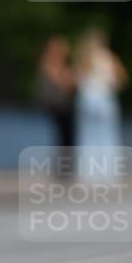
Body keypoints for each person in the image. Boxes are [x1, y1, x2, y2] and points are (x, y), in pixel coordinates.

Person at [73, 27, 128, 154]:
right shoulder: (109, 57)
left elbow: (76, 80)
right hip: (105, 98)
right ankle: (109, 168)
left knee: (87, 135)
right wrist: (113, 85)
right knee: (108, 134)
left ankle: (88, 168)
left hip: (87, 99)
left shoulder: (83, 57)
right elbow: (123, 78)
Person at [35, 35, 76, 176]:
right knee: (65, 138)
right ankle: (63, 168)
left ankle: (65, 167)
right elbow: (65, 83)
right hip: (59, 106)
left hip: (62, 105)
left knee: (66, 138)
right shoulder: (51, 64)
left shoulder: (53, 64)